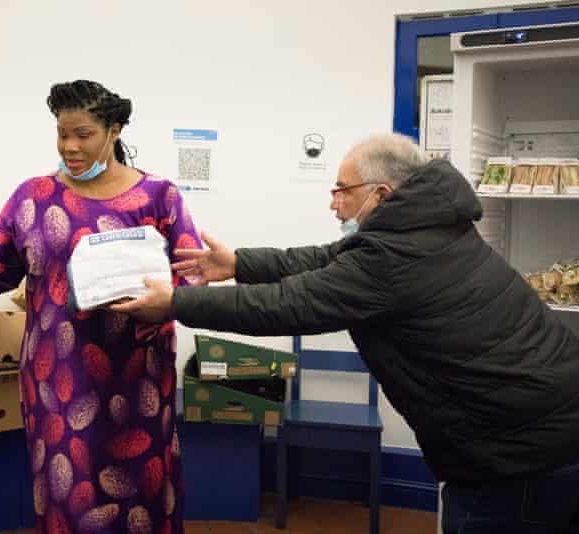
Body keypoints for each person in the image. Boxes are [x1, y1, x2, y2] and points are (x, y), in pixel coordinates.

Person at [113, 133, 579, 533]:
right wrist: (240, 263)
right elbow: (328, 258)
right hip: (546, 432)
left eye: (342, 189)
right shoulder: (429, 227)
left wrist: (173, 303)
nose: (333, 201)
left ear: (380, 193)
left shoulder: (395, 259)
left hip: (523, 462)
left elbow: (288, 305)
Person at [0, 80, 201, 533]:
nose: (69, 146)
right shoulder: (33, 197)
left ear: (114, 130)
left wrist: (163, 299)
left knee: (143, 496)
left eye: (83, 134)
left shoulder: (160, 197)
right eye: (62, 133)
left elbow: (191, 274)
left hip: (139, 379)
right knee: (68, 492)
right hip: (58, 379)